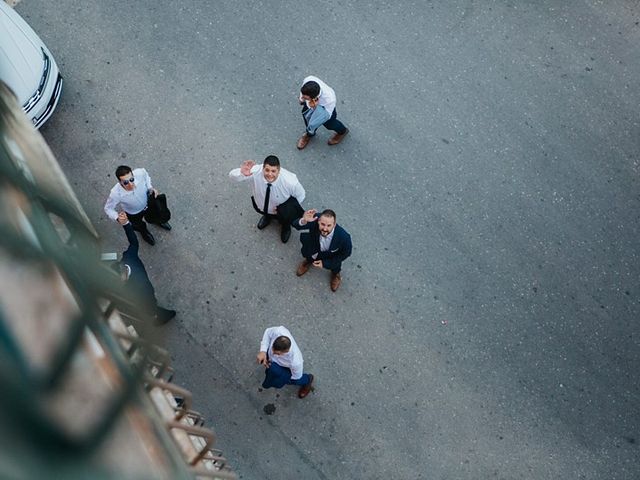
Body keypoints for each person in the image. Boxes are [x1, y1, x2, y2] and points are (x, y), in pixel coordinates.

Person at [228, 155, 305, 243]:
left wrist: (289, 208)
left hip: (281, 210)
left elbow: (301, 195)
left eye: (273, 171)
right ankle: (267, 217)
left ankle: (286, 227)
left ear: (278, 171)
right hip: (262, 205)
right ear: (263, 168)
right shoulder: (256, 171)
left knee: (285, 220)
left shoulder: (290, 182)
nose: (270, 174)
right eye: (267, 170)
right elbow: (232, 176)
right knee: (263, 212)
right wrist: (241, 172)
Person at [116, 212, 176, 325]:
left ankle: (163, 315)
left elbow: (149, 293)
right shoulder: (127, 258)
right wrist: (126, 225)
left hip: (144, 297)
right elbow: (133, 243)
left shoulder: (141, 284)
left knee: (151, 308)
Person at [104, 165, 172, 246]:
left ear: (133, 175)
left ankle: (158, 221)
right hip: (134, 213)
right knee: (139, 225)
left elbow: (146, 175)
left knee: (155, 214)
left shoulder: (139, 173)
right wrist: (117, 217)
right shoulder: (116, 193)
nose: (130, 184)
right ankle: (144, 233)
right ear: (120, 182)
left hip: (148, 203)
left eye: (131, 179)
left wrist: (150, 187)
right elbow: (108, 208)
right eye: (126, 182)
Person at [293, 209, 352, 292]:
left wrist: (326, 263)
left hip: (330, 256)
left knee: (335, 266)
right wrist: (304, 220)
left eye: (329, 225)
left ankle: (335, 275)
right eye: (322, 224)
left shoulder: (344, 237)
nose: (325, 228)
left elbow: (346, 253)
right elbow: (295, 225)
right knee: (309, 255)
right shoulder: (314, 219)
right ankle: (308, 261)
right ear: (318, 221)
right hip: (313, 247)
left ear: (334, 224)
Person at [256, 325, 314, 399]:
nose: (273, 352)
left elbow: (296, 376)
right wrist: (263, 351)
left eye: (277, 353)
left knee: (295, 380)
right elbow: (267, 333)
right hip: (274, 363)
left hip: (286, 369)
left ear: (286, 351)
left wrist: (282, 377)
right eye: (272, 349)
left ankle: (308, 379)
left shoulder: (296, 361)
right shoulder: (278, 331)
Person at [296, 75, 349, 150]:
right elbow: (303, 93)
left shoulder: (329, 99)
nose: (302, 98)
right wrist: (303, 99)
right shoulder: (308, 80)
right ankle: (309, 134)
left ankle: (342, 131)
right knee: (307, 119)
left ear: (314, 98)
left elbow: (327, 115)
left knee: (329, 124)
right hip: (311, 105)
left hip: (325, 110)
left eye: (305, 98)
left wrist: (315, 108)